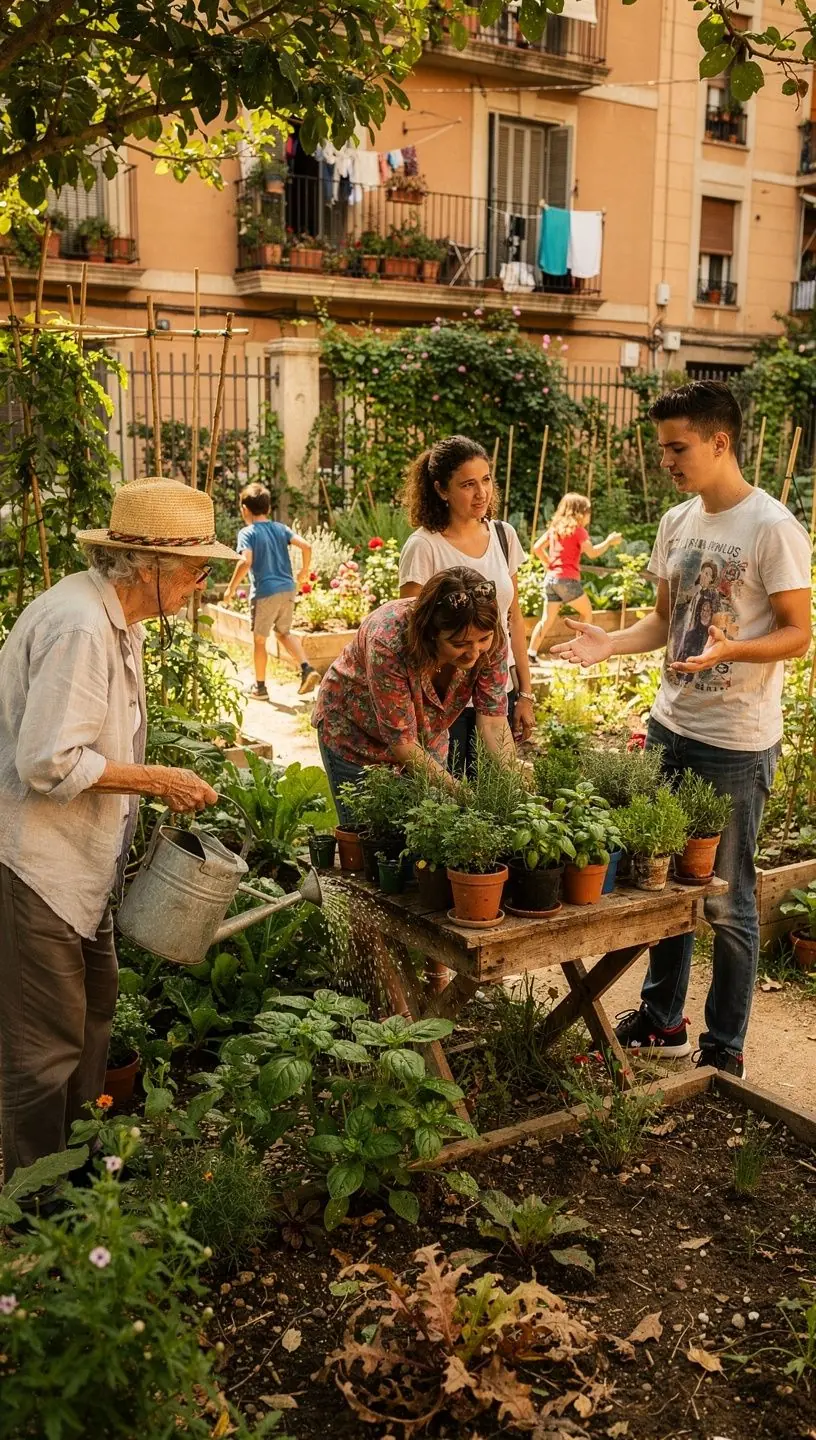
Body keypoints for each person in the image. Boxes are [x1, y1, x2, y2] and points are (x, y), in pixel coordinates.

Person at [552, 381, 812, 1076]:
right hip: (670, 725)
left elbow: (798, 634)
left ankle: (724, 1046)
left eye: (677, 447)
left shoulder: (772, 527)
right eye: (662, 448)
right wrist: (611, 643)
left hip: (736, 741)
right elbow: (666, 621)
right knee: (662, 886)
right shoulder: (676, 521)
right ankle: (663, 1020)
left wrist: (732, 650)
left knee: (729, 901)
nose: (665, 460)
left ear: (719, 442)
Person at [0, 477, 230, 1182]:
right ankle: (38, 1201)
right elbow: (48, 760)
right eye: (196, 570)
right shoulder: (78, 626)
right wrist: (157, 779)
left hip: (83, 863)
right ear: (149, 566)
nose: (201, 584)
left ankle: (80, 1168)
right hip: (38, 865)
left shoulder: (113, 619)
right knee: (44, 1048)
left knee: (95, 1012)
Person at [313, 567, 513, 822]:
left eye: (483, 640)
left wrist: (513, 786)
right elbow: (404, 744)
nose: (474, 653)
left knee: (430, 825)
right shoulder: (388, 641)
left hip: (426, 737)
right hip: (357, 736)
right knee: (371, 832)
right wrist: (465, 795)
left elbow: (493, 722)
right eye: (459, 644)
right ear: (431, 633)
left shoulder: (490, 638)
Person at [398, 435, 534, 775]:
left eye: (486, 480)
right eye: (468, 484)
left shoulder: (503, 535)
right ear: (441, 490)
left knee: (499, 786)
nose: (481, 493)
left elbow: (514, 619)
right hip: (445, 700)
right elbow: (413, 635)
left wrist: (525, 692)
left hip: (498, 689)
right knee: (450, 791)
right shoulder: (424, 546)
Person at [223, 482, 319, 698]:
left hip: (265, 592)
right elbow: (307, 546)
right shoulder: (280, 528)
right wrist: (304, 571)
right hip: (288, 589)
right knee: (283, 632)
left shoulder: (247, 533)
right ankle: (307, 668)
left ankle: (260, 687)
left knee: (259, 640)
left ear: (245, 509)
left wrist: (230, 589)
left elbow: (245, 561)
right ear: (267, 508)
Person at [527, 492, 623, 660]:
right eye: (588, 511)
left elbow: (536, 548)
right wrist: (608, 541)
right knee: (587, 613)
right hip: (567, 580)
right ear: (580, 512)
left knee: (546, 620)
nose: (589, 515)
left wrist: (549, 564)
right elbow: (592, 553)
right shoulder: (579, 531)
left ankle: (531, 653)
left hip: (550, 579)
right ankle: (580, 651)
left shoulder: (555, 529)